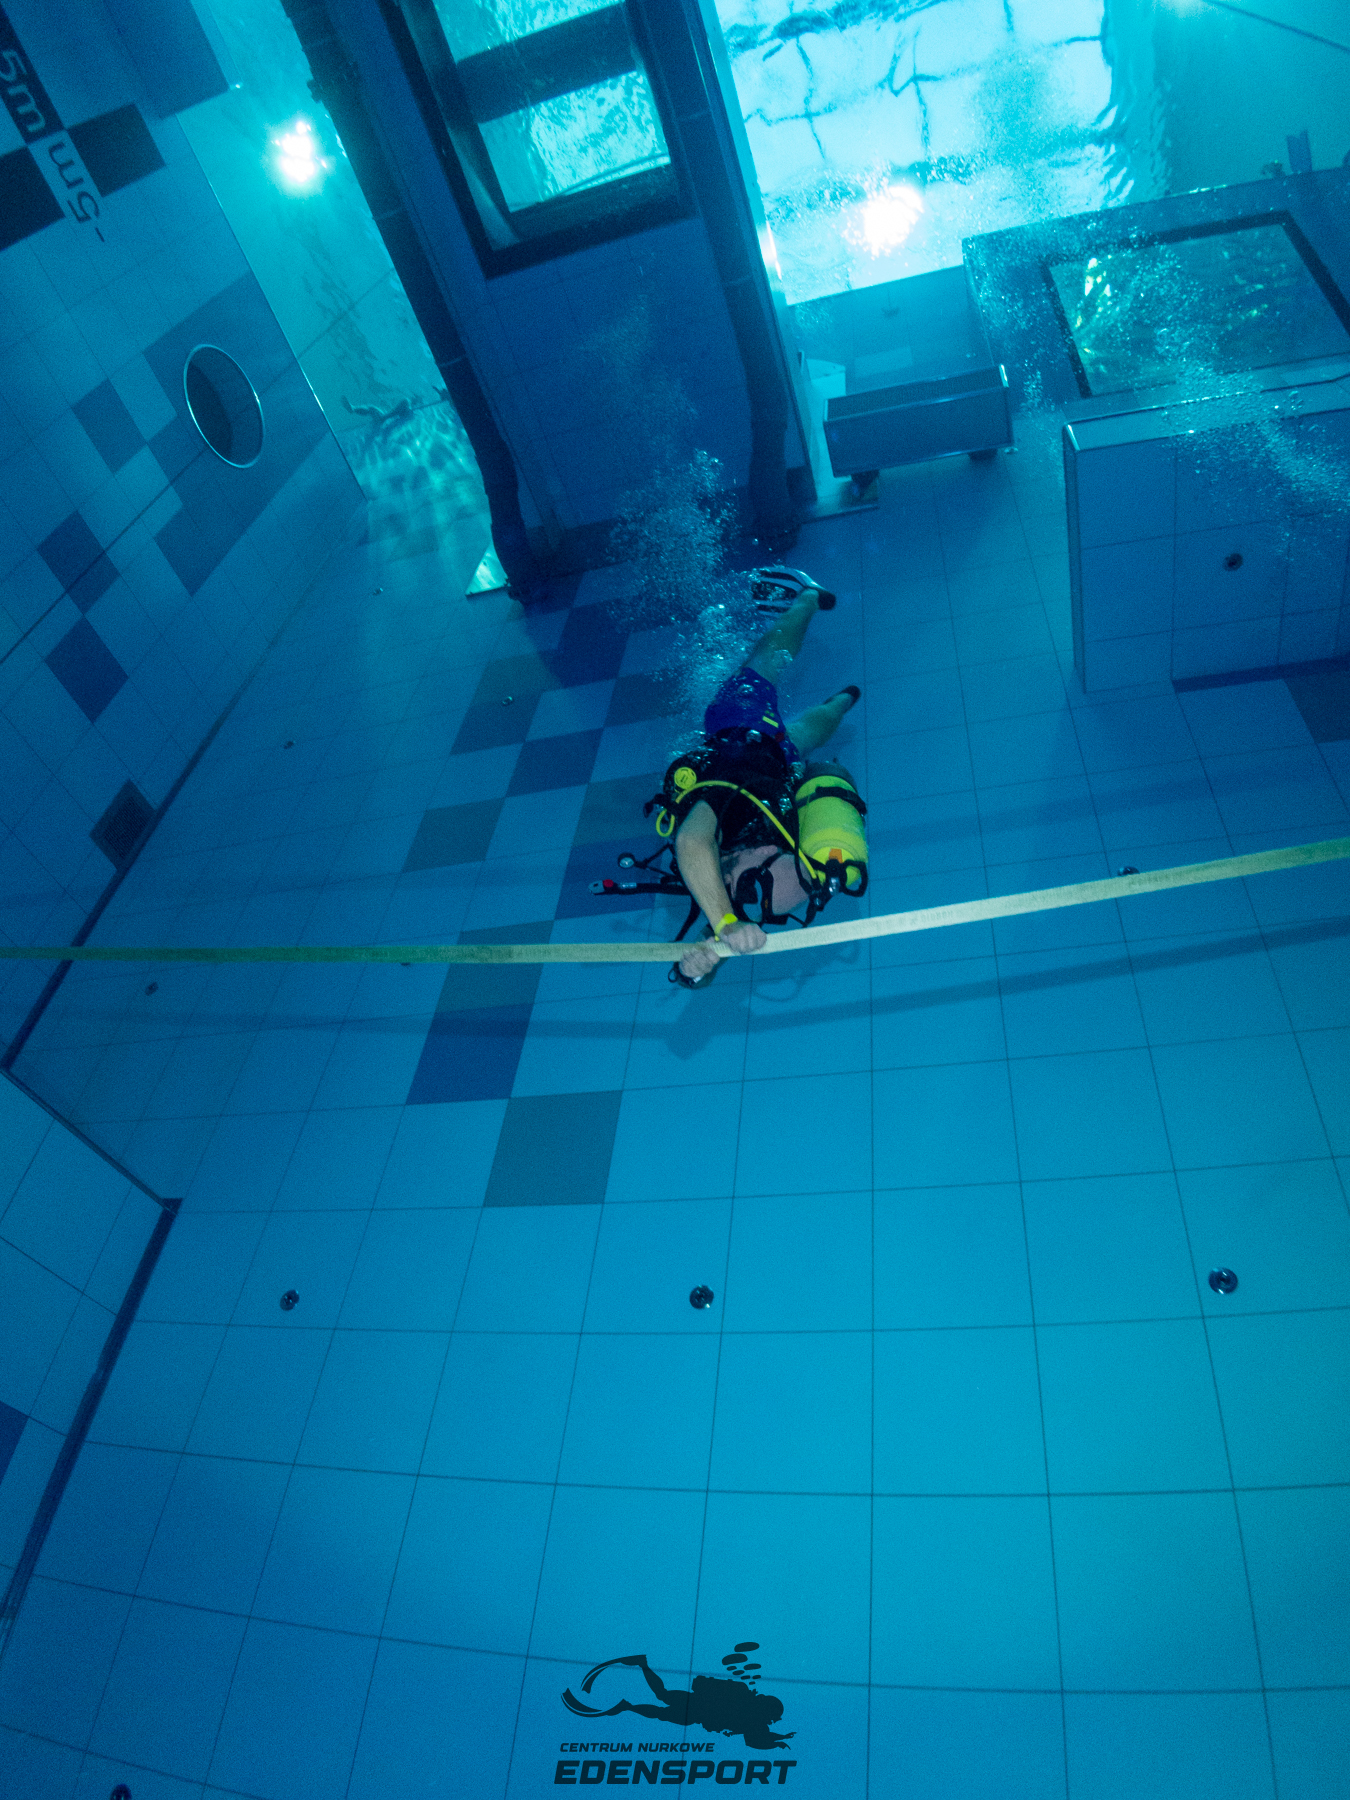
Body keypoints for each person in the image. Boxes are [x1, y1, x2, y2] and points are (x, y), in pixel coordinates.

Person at [671, 567, 861, 985]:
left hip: (780, 768)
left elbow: (696, 854)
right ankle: (808, 598)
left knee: (800, 733)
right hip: (745, 737)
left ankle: (841, 701)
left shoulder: (747, 882)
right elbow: (691, 843)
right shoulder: (722, 810)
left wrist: (704, 956)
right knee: (765, 662)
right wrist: (720, 934)